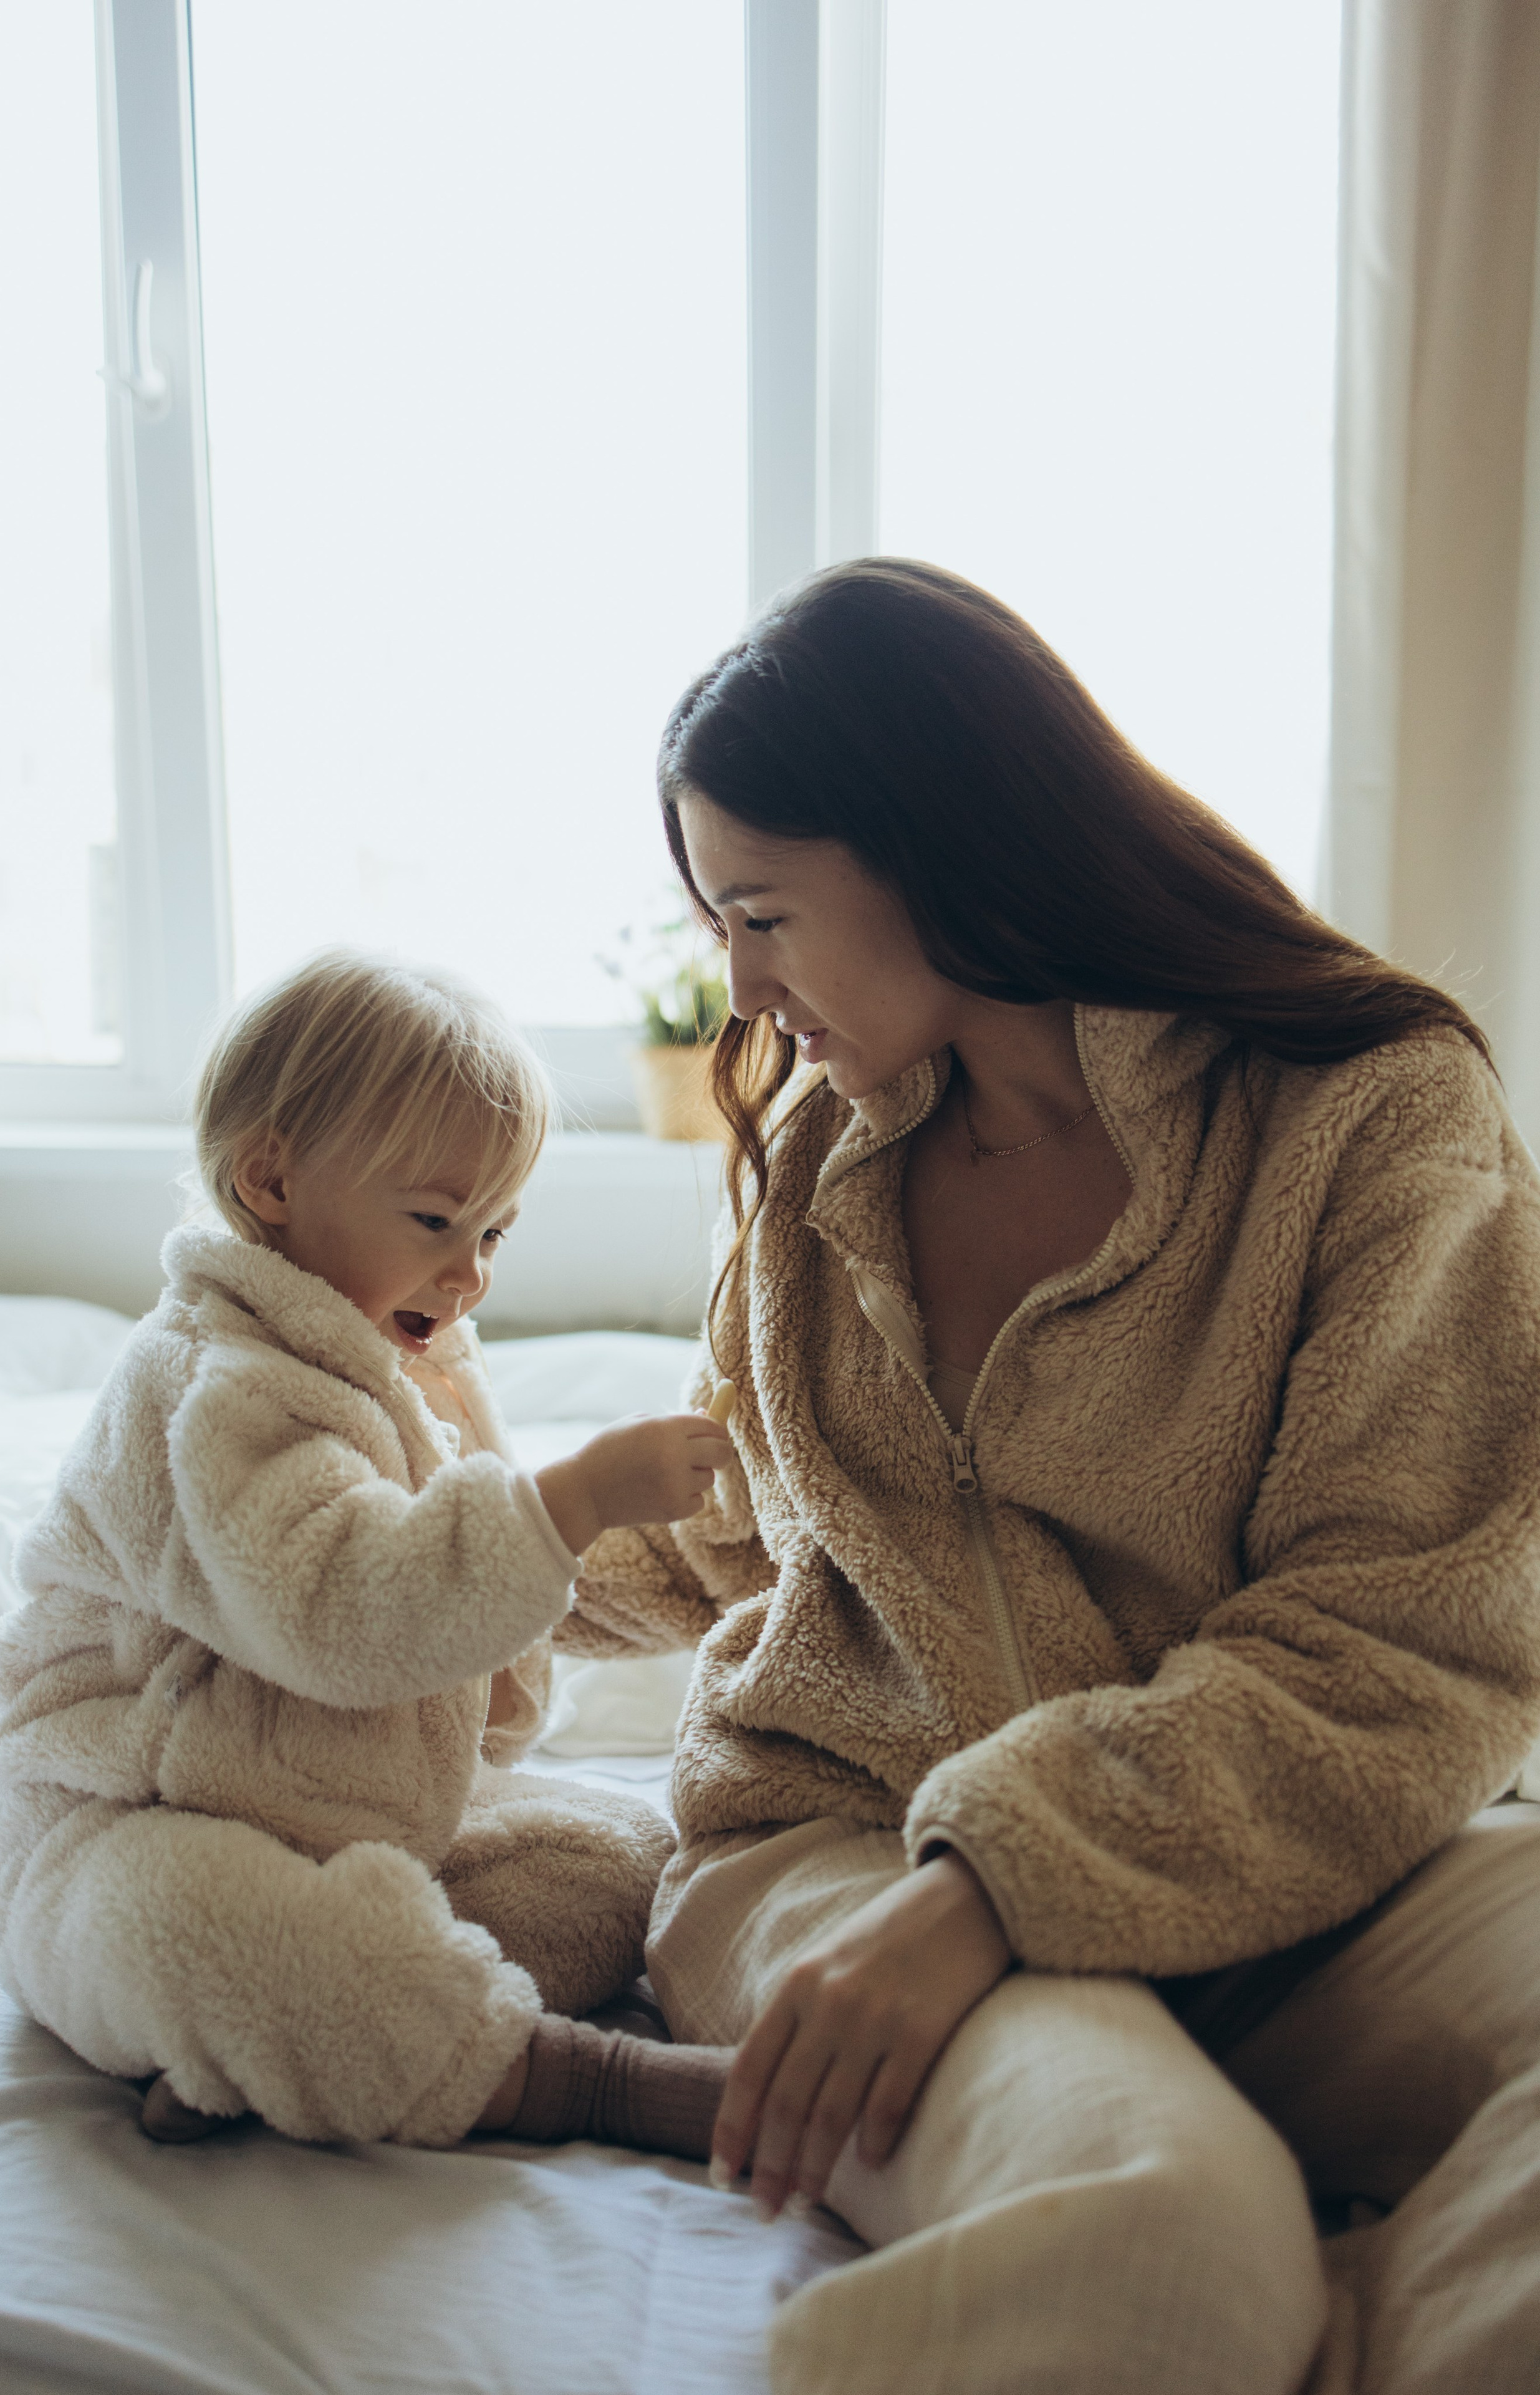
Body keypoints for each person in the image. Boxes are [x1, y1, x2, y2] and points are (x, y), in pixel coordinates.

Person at [565, 560, 1540, 2393]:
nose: (738, 986)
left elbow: (1407, 1638)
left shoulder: (1370, 1113)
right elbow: (738, 1519)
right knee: (1172, 2233)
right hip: (838, 1846)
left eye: (762, 911)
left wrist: (1004, 1882)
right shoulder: (818, 1159)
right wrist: (430, 1571)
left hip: (1281, 1866)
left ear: (940, 846)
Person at [0, 950, 732, 2159]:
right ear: (269, 1179)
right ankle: (573, 2079)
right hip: (121, 1829)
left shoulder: (401, 1366)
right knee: (220, 1935)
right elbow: (340, 1605)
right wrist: (571, 1497)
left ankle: (267, 2056)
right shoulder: (214, 1386)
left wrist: (662, 1553)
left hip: (330, 1823)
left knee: (628, 1864)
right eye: (435, 1220)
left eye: (494, 1229)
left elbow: (488, 1649)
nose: (469, 1271)